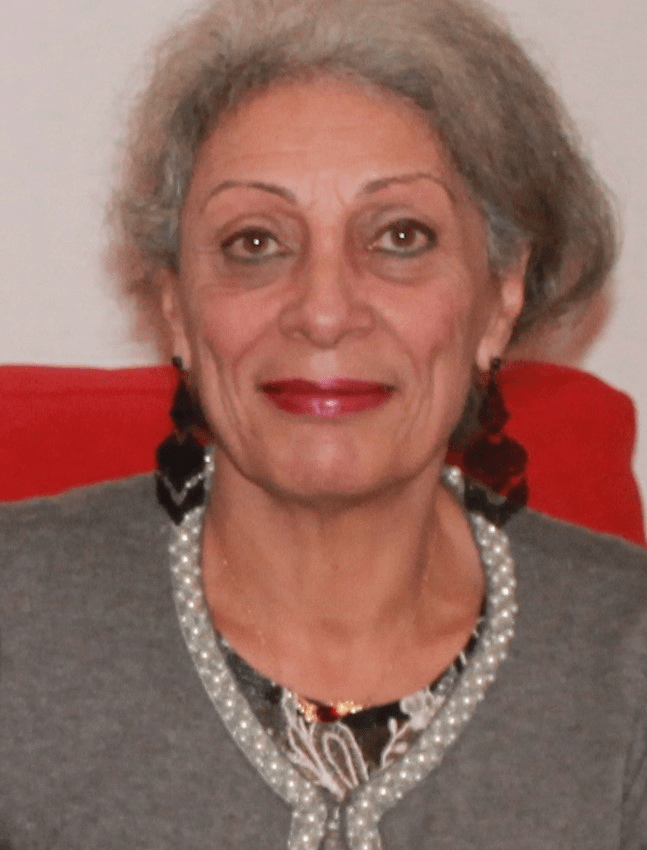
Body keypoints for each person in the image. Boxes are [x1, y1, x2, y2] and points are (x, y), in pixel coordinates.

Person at [1, 0, 645, 847]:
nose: (324, 311)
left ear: (499, 298)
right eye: (255, 243)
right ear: (176, 306)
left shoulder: (627, 670)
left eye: (400, 237)